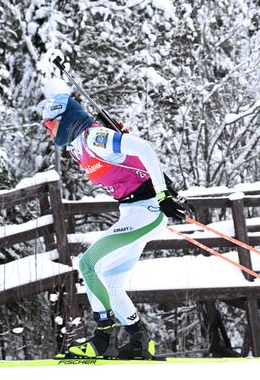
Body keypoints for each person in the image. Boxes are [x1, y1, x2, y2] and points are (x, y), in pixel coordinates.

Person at [41, 89, 186, 360]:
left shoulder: (94, 137)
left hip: (147, 210)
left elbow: (144, 148)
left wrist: (164, 193)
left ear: (67, 119)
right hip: (132, 212)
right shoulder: (77, 145)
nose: (49, 132)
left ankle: (103, 340)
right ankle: (139, 341)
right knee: (110, 280)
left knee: (88, 264)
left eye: (51, 124)